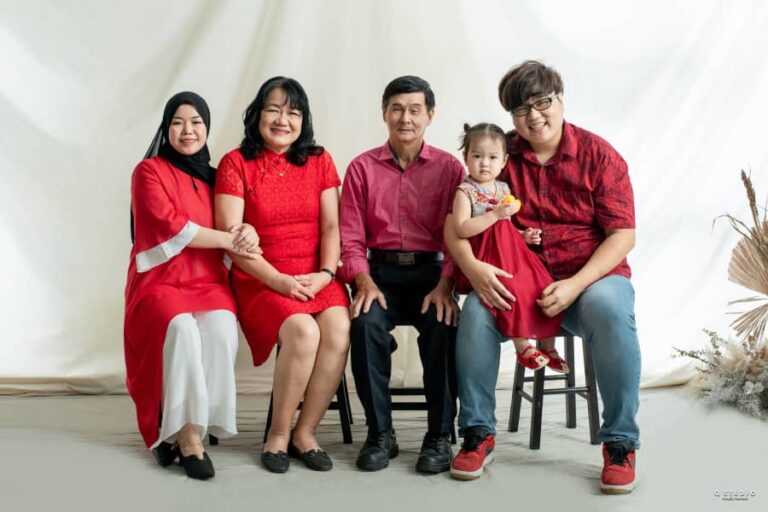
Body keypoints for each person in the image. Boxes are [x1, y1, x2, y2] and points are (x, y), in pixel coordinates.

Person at [445, 60, 640, 494]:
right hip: (520, 283)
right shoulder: (499, 156)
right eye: (520, 109)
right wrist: (473, 268)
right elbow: (455, 226)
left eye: (542, 102)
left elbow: (623, 236)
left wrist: (575, 285)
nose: (533, 116)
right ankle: (477, 432)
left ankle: (620, 442)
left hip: (589, 281)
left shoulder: (599, 155)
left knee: (610, 308)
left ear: (561, 99)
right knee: (476, 310)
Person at [215, 77, 350, 474]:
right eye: (273, 109)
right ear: (257, 114)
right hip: (262, 277)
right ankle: (277, 433)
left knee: (339, 328)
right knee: (304, 332)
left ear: (303, 120)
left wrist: (326, 274)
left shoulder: (320, 160)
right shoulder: (235, 164)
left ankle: (305, 432)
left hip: (316, 274)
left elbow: (331, 227)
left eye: (293, 112)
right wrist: (278, 281)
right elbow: (232, 240)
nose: (282, 120)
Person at [124, 91, 259, 480]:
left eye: (197, 122)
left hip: (208, 279)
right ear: (166, 128)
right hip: (160, 282)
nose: (188, 130)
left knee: (220, 328)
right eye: (178, 122)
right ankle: (187, 437)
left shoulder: (216, 179)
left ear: (207, 127)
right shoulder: (149, 171)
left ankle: (196, 422)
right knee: (182, 329)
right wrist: (229, 239)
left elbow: (236, 221)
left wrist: (247, 231)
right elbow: (172, 227)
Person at [339, 75, 464, 474]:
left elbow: (459, 236)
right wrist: (362, 280)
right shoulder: (361, 168)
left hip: (433, 274)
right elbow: (350, 237)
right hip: (379, 274)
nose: (405, 118)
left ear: (430, 115)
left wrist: (447, 283)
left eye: (414, 110)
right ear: (384, 113)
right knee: (364, 325)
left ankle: (439, 435)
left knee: (443, 326)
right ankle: (380, 433)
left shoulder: (450, 168)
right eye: (396, 109)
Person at [451, 122, 567, 375]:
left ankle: (548, 346)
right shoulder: (465, 191)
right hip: (487, 256)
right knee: (511, 289)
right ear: (465, 158)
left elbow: (506, 227)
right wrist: (494, 214)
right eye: (477, 156)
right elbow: (462, 228)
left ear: (504, 161)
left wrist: (523, 236)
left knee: (543, 283)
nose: (484, 163)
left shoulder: (503, 188)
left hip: (511, 252)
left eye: (492, 157)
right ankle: (522, 346)